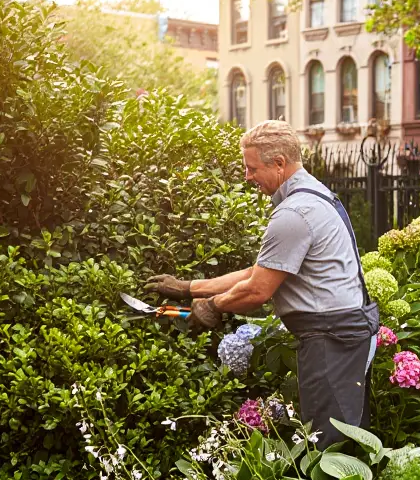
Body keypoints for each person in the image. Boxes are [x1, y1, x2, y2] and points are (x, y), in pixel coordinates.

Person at [145, 120, 379, 446]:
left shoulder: (295, 212)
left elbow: (257, 290)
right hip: (341, 332)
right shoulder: (312, 195)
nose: (247, 176)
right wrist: (188, 288)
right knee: (341, 435)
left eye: (252, 168)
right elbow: (258, 272)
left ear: (279, 163)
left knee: (330, 445)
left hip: (332, 339)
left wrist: (213, 307)